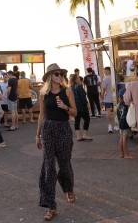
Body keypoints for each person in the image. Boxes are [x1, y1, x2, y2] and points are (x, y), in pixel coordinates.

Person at [36, 63, 77, 221]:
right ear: (50, 77)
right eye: (56, 74)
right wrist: (37, 136)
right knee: (48, 167)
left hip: (63, 130)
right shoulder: (43, 94)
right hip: (48, 130)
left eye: (61, 74)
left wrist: (65, 107)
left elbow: (75, 112)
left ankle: (68, 188)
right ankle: (51, 206)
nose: (60, 76)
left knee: (65, 165)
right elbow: (41, 115)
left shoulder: (67, 91)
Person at [71, 74, 91, 141]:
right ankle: (85, 134)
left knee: (77, 120)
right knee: (87, 119)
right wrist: (87, 104)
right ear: (75, 80)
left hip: (75, 107)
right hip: (82, 106)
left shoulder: (71, 87)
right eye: (77, 78)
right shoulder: (79, 87)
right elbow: (83, 97)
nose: (79, 78)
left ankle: (78, 136)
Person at [116, 88, 133, 158]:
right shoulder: (127, 105)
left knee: (121, 138)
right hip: (125, 124)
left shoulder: (119, 105)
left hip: (120, 123)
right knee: (125, 139)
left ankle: (121, 153)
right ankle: (126, 154)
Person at [101, 67, 115, 133]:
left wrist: (102, 98)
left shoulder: (105, 79)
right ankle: (117, 125)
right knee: (116, 112)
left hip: (107, 98)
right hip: (115, 97)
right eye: (104, 71)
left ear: (109, 71)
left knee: (108, 112)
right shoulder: (115, 77)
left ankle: (110, 126)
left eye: (106, 71)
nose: (105, 72)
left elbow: (103, 90)